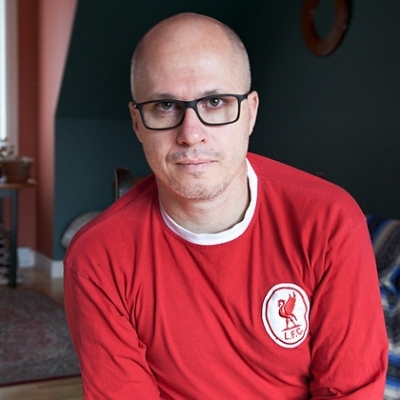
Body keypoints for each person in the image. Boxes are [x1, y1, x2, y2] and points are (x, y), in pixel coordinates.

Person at [64, 12, 388, 399]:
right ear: (137, 122)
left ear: (250, 112)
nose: (190, 134)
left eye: (215, 101)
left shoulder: (330, 222)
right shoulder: (96, 259)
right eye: (165, 105)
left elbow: (349, 391)